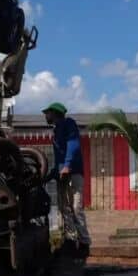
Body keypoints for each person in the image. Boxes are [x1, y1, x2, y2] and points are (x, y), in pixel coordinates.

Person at [42, 102, 91, 256]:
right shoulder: (56, 131)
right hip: (62, 174)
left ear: (55, 113)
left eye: (47, 113)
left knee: (76, 208)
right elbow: (58, 159)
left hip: (73, 173)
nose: (45, 116)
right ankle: (70, 241)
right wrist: (49, 175)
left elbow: (73, 144)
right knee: (64, 209)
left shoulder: (69, 124)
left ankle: (84, 243)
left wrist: (67, 165)